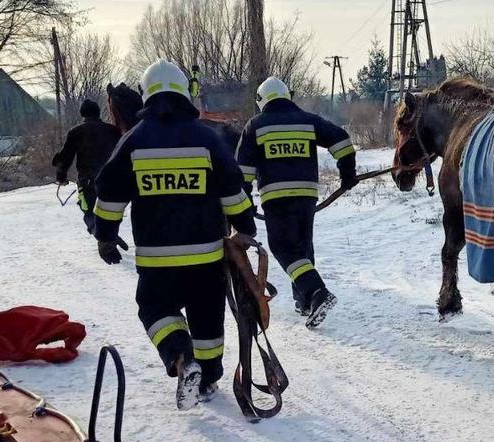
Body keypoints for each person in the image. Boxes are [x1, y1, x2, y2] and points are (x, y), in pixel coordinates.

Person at [93, 59, 257, 410]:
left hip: (157, 260)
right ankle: (209, 377)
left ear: (147, 94)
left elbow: (109, 191)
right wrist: (246, 228)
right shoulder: (207, 138)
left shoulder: (133, 140)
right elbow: (233, 189)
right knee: (207, 319)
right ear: (184, 92)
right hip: (207, 257)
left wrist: (105, 235)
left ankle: (182, 357)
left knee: (154, 309)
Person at [236, 76, 358, 329]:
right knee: (302, 246)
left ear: (261, 101)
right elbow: (343, 141)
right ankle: (304, 300)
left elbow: (243, 172)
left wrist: (244, 202)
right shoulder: (308, 120)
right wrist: (348, 174)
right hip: (306, 196)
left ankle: (316, 291)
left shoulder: (256, 125)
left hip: (276, 198)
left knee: (283, 247)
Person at [52, 99, 122, 233]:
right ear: (98, 112)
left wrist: (61, 177)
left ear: (82, 113)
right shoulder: (113, 131)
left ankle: (102, 235)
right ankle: (109, 236)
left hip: (88, 181)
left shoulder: (76, 132)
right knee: (110, 213)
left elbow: (66, 157)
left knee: (89, 212)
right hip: (111, 181)